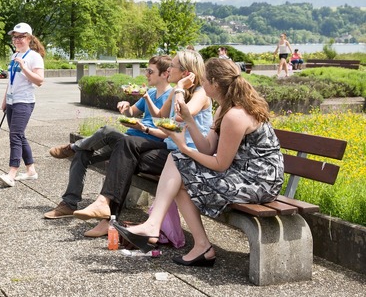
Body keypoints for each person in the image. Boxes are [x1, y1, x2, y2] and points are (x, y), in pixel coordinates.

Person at [112, 59, 284, 266]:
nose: (201, 84)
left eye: (204, 81)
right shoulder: (223, 110)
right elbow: (207, 149)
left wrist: (184, 147)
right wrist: (190, 121)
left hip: (258, 183)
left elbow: (220, 164)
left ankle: (158, 227)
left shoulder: (236, 115)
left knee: (179, 161)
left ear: (215, 84)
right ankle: (196, 243)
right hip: (240, 174)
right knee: (178, 167)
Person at [72, 49, 213, 238]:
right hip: (172, 152)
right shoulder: (177, 91)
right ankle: (105, 209)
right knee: (126, 149)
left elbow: (182, 115)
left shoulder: (200, 93)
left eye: (172, 65)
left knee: (124, 157)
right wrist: (148, 98)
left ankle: (108, 215)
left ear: (186, 73)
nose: (169, 69)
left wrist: (178, 88)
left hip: (189, 157)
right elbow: (161, 115)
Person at [44, 55, 173, 229]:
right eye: (146, 70)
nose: (146, 74)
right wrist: (125, 107)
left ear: (165, 74)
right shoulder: (150, 93)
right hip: (128, 141)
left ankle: (73, 147)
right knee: (83, 154)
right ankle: (69, 203)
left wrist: (144, 128)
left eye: (151, 71)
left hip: (144, 143)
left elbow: (167, 132)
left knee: (106, 131)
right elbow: (131, 114)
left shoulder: (170, 97)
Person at [0, 23, 45, 187]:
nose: (17, 40)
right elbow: (11, 82)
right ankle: (31, 170)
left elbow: (39, 81)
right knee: (19, 135)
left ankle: (12, 173)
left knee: (15, 136)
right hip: (12, 101)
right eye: (15, 37)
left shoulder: (34, 57)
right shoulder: (14, 56)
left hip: (24, 102)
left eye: (21, 36)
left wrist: (24, 68)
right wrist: (5, 100)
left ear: (29, 38)